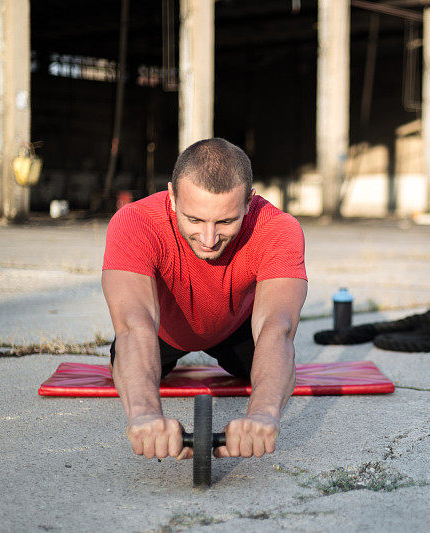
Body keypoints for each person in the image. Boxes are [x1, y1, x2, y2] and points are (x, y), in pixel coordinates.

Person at [102, 138, 307, 461]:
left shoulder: (279, 228)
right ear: (172, 197)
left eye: (225, 221)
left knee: (273, 357)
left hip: (235, 328)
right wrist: (143, 415)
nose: (209, 240)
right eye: (194, 220)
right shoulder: (134, 222)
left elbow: (276, 326)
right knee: (131, 354)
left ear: (249, 202)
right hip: (162, 332)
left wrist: (263, 416)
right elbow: (132, 323)